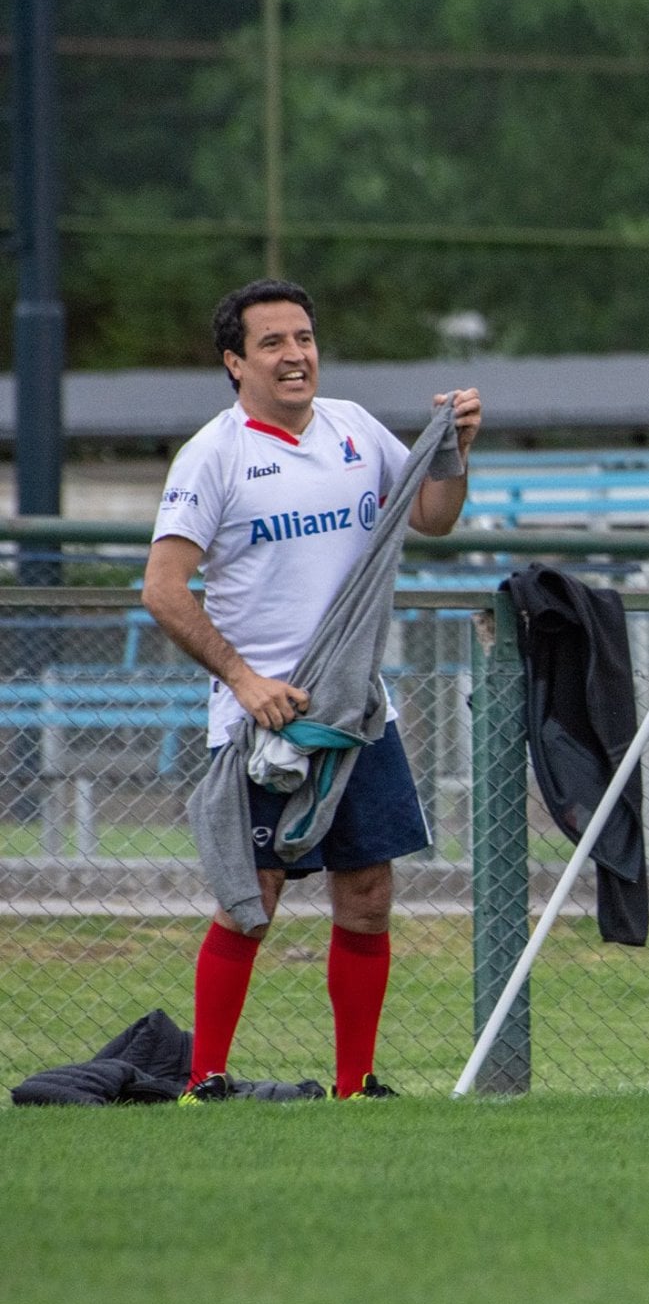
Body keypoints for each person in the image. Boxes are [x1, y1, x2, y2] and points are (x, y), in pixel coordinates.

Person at [142, 279, 482, 1099]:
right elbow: (163, 587)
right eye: (272, 343)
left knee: (367, 896)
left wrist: (454, 451)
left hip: (359, 710)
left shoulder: (354, 427)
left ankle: (353, 1086)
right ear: (235, 362)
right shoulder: (213, 455)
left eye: (303, 338)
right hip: (264, 718)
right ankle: (203, 1081)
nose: (295, 355)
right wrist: (244, 680)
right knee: (250, 900)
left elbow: (433, 516)